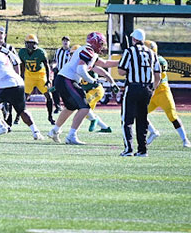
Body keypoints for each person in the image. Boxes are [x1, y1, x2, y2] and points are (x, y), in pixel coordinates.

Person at [48, 32, 119, 145]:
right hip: (68, 79)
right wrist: (92, 80)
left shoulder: (91, 53)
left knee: (70, 108)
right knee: (85, 107)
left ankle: (54, 131)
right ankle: (71, 136)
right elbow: (80, 69)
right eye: (100, 43)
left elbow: (104, 63)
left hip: (64, 79)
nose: (102, 46)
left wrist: (122, 62)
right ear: (94, 42)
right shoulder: (88, 50)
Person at [0, 45, 44, 140]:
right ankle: (35, 131)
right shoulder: (1, 54)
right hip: (18, 83)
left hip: (6, 83)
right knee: (22, 110)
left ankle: (0, 126)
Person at [118, 29, 161, 157]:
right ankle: (143, 150)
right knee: (142, 119)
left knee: (127, 119)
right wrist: (152, 89)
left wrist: (129, 70)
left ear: (134, 39)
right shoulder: (152, 53)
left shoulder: (129, 51)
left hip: (133, 87)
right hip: (147, 88)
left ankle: (128, 149)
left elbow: (121, 71)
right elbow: (157, 75)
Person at [144, 40, 190, 148]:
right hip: (151, 92)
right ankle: (153, 131)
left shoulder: (160, 61)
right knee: (140, 113)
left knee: (172, 115)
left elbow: (157, 78)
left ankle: (185, 140)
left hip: (162, 92)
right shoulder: (143, 60)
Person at [18, 34, 55, 126]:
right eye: (29, 43)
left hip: (40, 75)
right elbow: (22, 64)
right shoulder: (22, 52)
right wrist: (20, 75)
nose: (30, 45)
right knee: (23, 97)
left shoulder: (40, 52)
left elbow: (47, 65)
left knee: (48, 96)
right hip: (29, 75)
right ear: (25, 44)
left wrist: (49, 79)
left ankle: (50, 116)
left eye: (32, 43)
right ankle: (18, 116)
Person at [51, 36, 71, 113]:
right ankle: (58, 106)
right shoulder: (58, 51)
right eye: (64, 41)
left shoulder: (71, 51)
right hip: (58, 73)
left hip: (67, 73)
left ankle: (68, 106)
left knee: (66, 90)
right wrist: (53, 66)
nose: (65, 42)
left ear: (69, 42)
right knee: (54, 89)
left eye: (67, 41)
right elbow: (55, 61)